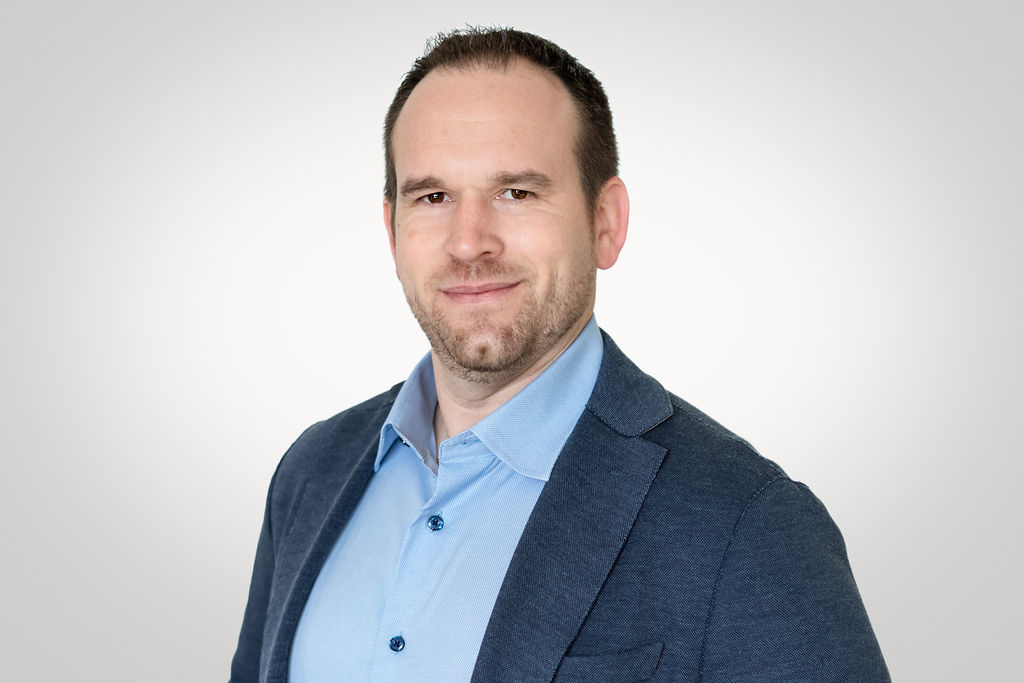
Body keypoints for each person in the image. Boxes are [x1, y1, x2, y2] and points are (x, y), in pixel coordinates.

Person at [230, 27, 889, 683]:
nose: (469, 242)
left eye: (516, 192)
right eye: (433, 197)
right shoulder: (310, 474)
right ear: (391, 228)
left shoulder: (750, 524)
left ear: (606, 221)